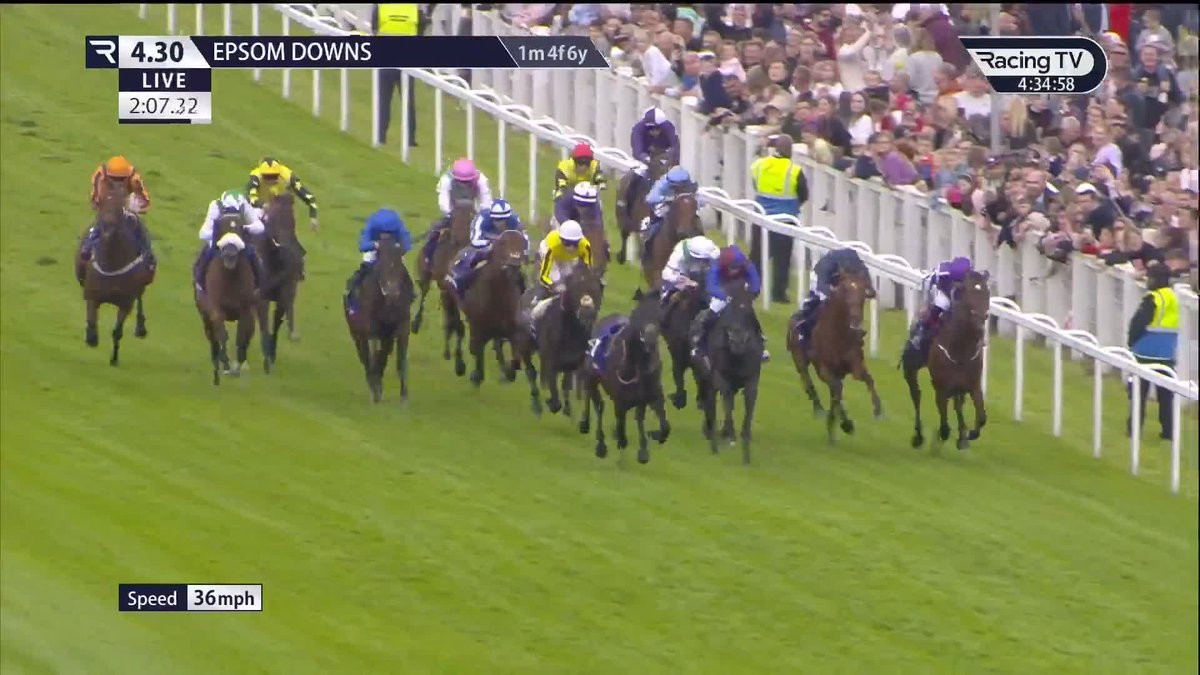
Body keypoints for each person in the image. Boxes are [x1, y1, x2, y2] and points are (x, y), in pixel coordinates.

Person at [750, 133, 808, 303]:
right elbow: (804, 194)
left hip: (761, 216)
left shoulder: (759, 164)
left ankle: (753, 287)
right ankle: (778, 293)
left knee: (757, 255)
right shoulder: (795, 170)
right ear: (790, 150)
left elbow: (755, 185)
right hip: (786, 219)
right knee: (782, 259)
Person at [1126, 262, 1179, 440]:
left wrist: (1131, 342)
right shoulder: (1174, 297)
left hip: (1145, 352)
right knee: (1166, 397)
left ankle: (1134, 429)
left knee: (1138, 394)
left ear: (1156, 279)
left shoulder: (1153, 298)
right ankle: (1168, 432)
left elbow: (1138, 323)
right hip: (1167, 354)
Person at [690, 244, 769, 362]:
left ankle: (760, 343)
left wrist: (751, 293)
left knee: (748, 311)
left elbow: (755, 281)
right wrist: (724, 296)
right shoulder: (717, 264)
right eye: (731, 268)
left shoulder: (746, 264)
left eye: (737, 268)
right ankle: (699, 342)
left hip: (739, 289)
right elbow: (711, 285)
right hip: (721, 290)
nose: (734, 270)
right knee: (713, 312)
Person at [246, 157, 319, 279]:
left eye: (274, 176)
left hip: (280, 207)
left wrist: (313, 216)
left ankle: (298, 263)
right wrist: (262, 205)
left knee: (287, 231)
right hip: (260, 207)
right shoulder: (255, 176)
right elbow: (251, 197)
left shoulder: (288, 176)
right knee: (254, 229)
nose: (271, 180)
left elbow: (308, 196)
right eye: (267, 177)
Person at [82, 155, 155, 267]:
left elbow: (143, 199)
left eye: (121, 179)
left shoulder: (134, 179)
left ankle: (147, 255)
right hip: (108, 205)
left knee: (139, 227)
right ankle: (87, 248)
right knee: (100, 224)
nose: (118, 183)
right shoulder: (101, 174)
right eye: (114, 179)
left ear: (127, 177)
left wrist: (139, 207)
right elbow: (96, 193)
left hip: (126, 206)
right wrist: (99, 204)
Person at [420, 158, 494, 269]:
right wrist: (450, 213)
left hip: (473, 210)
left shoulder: (481, 180)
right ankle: (428, 259)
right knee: (434, 230)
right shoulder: (446, 179)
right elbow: (444, 201)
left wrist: (479, 216)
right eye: (462, 182)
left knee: (491, 233)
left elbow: (486, 202)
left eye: (467, 182)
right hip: (454, 210)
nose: (465, 184)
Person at [446, 199, 527, 295]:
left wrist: (524, 252)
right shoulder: (482, 219)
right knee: (472, 258)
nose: (500, 223)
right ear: (492, 217)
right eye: (497, 220)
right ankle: (459, 281)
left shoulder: (515, 221)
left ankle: (523, 293)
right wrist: (492, 245)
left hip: (505, 249)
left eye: (504, 220)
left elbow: (524, 240)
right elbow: (475, 240)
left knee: (518, 270)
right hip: (483, 247)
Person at [795, 247, 873, 345]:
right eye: (846, 272)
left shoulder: (859, 267)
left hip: (840, 282)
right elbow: (821, 285)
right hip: (820, 279)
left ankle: (854, 332)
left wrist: (869, 290)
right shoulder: (827, 265)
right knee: (820, 300)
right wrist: (832, 293)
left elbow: (868, 285)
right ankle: (803, 327)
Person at [372, 4, 425, 146]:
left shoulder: (381, 6)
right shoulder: (414, 7)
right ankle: (410, 139)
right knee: (408, 102)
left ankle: (380, 136)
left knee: (383, 100)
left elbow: (374, 28)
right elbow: (421, 28)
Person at [194, 189, 265, 290]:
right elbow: (203, 233)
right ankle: (200, 282)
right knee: (206, 254)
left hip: (240, 242)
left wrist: (245, 228)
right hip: (219, 243)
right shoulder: (216, 206)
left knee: (253, 255)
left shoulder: (244, 206)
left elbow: (260, 227)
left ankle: (259, 285)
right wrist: (217, 234)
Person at [345, 208, 413, 311]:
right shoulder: (371, 225)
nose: (386, 236)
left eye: (389, 234)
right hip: (373, 252)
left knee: (402, 271)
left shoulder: (399, 226)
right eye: (383, 234)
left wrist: (399, 247)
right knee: (364, 269)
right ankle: (352, 296)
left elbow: (407, 244)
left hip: (393, 251)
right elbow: (362, 246)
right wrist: (374, 244)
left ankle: (410, 294)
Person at [908, 256, 974, 354]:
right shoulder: (942, 274)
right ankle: (920, 334)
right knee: (941, 305)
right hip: (940, 289)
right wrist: (927, 304)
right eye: (955, 281)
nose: (957, 284)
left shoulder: (972, 278)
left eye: (960, 282)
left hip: (957, 295)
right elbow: (928, 283)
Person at [529, 220, 592, 321]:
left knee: (570, 276)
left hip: (566, 257)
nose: (571, 248)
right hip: (550, 252)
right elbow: (543, 276)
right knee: (556, 278)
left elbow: (588, 271)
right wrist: (552, 286)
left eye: (575, 244)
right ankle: (537, 301)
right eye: (567, 244)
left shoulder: (585, 246)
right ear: (561, 240)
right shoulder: (552, 246)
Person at [624, 106, 682, 216]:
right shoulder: (638, 128)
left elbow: (675, 147)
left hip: (663, 159)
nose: (654, 131)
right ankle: (627, 207)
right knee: (634, 177)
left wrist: (670, 158)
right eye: (650, 128)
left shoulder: (669, 128)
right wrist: (646, 159)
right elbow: (637, 150)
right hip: (644, 160)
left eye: (657, 128)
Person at [641, 166, 696, 252]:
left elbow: (698, 196)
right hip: (665, 207)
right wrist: (667, 198)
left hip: (683, 206)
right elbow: (649, 198)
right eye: (675, 187)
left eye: (681, 187)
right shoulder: (661, 185)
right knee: (657, 223)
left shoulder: (691, 184)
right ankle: (648, 244)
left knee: (695, 221)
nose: (678, 189)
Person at [660, 234, 720, 306]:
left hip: (699, 276)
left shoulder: (707, 250)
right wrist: (683, 280)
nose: (707, 262)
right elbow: (665, 274)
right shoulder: (678, 255)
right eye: (705, 260)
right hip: (680, 278)